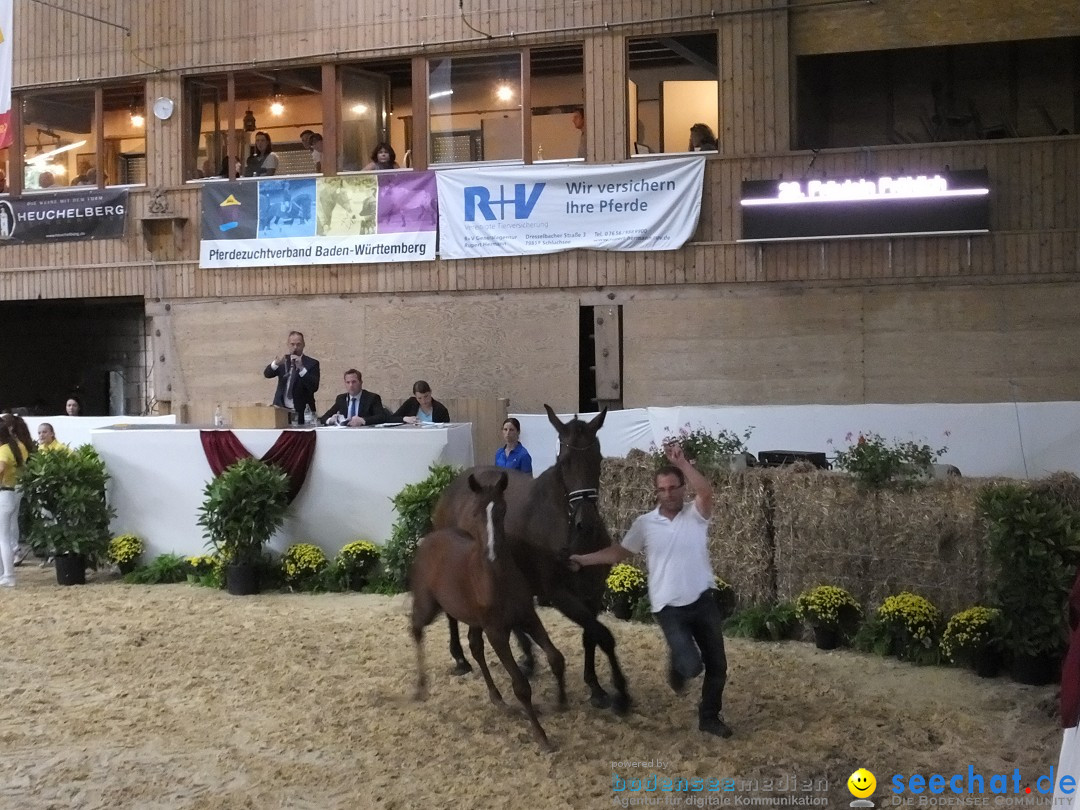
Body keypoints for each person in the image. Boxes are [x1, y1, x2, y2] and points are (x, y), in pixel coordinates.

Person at [570, 442, 731, 738]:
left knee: (718, 666)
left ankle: (709, 717)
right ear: (655, 492)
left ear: (682, 488)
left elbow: (706, 491)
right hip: (669, 607)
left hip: (703, 599)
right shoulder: (645, 524)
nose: (668, 494)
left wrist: (682, 463)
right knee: (692, 667)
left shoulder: (696, 515)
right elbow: (619, 552)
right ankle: (679, 663)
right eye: (663, 489)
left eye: (673, 488)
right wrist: (584, 559)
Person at [263, 330, 321, 425]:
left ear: (303, 345)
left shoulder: (312, 363)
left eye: (298, 344)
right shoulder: (283, 361)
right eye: (292, 344)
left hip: (302, 413)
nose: (295, 347)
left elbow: (314, 387)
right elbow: (267, 374)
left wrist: (302, 368)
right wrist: (276, 364)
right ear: (288, 345)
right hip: (282, 411)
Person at [0, 422, 28, 586]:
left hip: (4, 492)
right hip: (8, 493)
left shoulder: (3, 450)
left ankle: (9, 575)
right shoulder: (12, 448)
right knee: (3, 537)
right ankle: (5, 574)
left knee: (3, 538)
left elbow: (1, 468)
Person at [319, 368, 389, 426]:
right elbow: (323, 418)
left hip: (365, 434)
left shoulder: (372, 398)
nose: (351, 385)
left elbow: (381, 417)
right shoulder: (341, 399)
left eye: (354, 382)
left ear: (361, 382)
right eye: (348, 382)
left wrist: (363, 420)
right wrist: (331, 420)